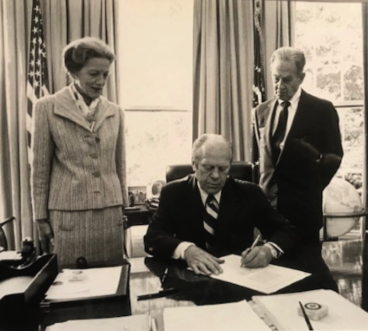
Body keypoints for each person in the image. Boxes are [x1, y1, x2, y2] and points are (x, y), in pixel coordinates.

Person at [31, 37, 128, 267]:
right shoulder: (47, 107)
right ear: (74, 72)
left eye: (105, 75)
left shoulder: (115, 112)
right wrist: (40, 217)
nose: (101, 81)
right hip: (67, 216)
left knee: (112, 281)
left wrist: (122, 206)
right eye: (94, 74)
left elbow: (119, 164)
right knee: (70, 285)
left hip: (110, 214)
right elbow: (40, 168)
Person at [144, 134, 299, 276]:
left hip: (240, 278)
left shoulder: (250, 193)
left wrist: (268, 250)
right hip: (191, 280)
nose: (216, 176)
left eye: (223, 169)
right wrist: (186, 250)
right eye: (208, 167)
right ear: (194, 164)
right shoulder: (173, 193)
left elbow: (286, 230)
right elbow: (152, 238)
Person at [253, 47, 343, 244]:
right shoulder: (261, 111)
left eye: (286, 80)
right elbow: (261, 162)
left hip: (304, 215)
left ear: (301, 78)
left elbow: (334, 158)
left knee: (307, 271)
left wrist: (309, 190)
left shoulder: (321, 110)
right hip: (268, 213)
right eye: (275, 79)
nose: (279, 86)